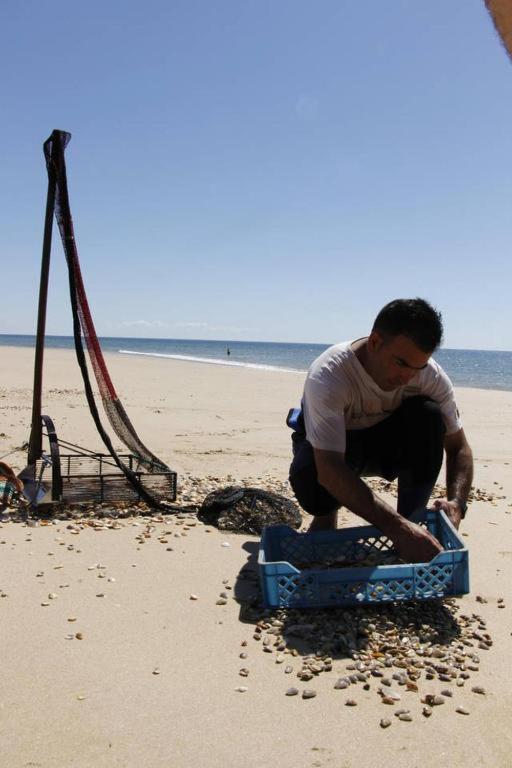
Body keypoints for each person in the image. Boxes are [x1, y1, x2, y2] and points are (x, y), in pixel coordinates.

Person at [288, 298, 473, 563]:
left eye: (418, 367)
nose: (408, 376)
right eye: (401, 363)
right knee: (316, 491)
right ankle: (328, 515)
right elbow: (329, 468)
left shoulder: (429, 376)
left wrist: (457, 504)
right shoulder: (329, 374)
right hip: (333, 450)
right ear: (375, 342)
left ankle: (412, 520)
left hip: (383, 444)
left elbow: (459, 447)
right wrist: (394, 528)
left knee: (429, 415)